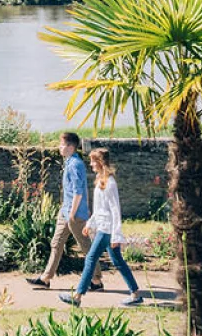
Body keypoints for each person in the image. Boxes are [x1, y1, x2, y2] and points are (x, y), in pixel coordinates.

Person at [59, 147, 143, 307]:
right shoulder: (101, 181)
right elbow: (100, 209)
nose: (90, 164)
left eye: (93, 161)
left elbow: (115, 210)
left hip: (107, 229)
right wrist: (90, 224)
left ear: (100, 162)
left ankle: (77, 296)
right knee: (118, 262)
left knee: (91, 258)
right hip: (103, 227)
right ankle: (136, 293)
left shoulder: (110, 183)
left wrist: (116, 235)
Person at [26, 131, 104, 291]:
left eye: (61, 144)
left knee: (85, 246)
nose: (59, 147)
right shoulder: (69, 162)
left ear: (70, 146)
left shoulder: (75, 164)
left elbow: (78, 191)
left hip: (74, 214)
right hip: (66, 211)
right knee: (56, 243)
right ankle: (45, 278)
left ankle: (96, 281)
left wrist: (73, 213)